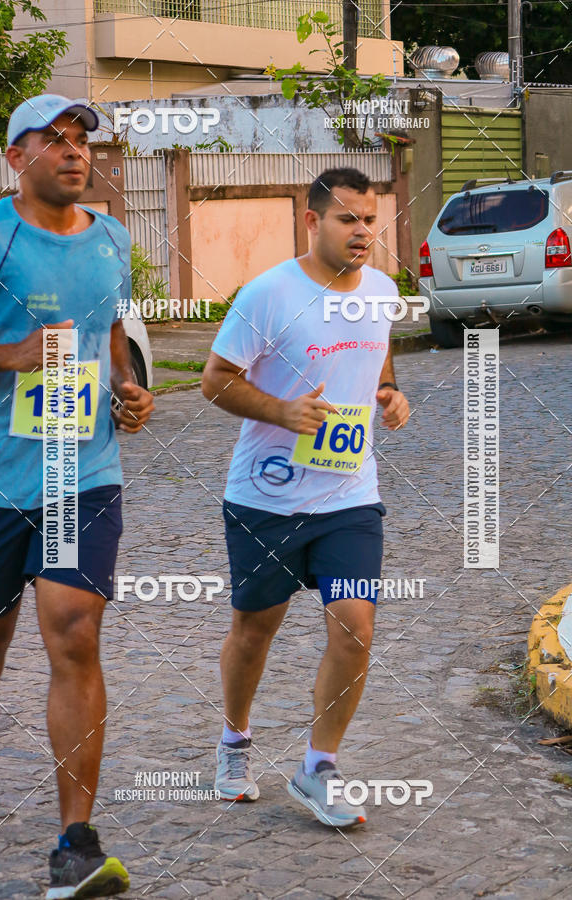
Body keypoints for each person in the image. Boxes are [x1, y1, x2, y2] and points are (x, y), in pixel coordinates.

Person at [0, 95, 154, 897]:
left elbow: (112, 328)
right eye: (56, 140)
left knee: (74, 629)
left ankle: (75, 841)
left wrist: (129, 385)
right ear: (17, 158)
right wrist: (10, 355)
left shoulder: (113, 236)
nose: (75, 153)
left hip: (79, 471)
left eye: (83, 141)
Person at [202, 167, 410, 827]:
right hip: (266, 497)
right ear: (313, 221)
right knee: (255, 629)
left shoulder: (381, 290)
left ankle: (318, 767)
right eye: (348, 219)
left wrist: (389, 396)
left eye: (370, 220)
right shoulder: (267, 295)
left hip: (350, 496)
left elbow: (377, 362)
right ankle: (234, 741)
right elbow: (214, 381)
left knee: (356, 624)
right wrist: (281, 410)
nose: (363, 232)